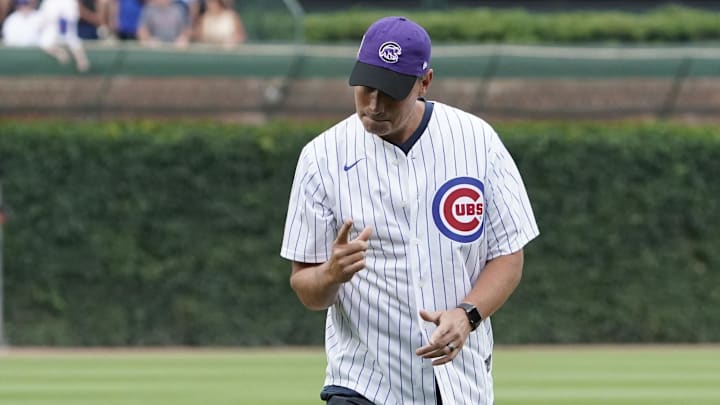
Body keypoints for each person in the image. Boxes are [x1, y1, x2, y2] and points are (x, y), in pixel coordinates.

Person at [280, 16, 539, 405]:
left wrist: (468, 314)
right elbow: (306, 288)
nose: (374, 105)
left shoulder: (477, 141)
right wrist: (331, 274)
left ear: (425, 83)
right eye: (366, 88)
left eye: (391, 92)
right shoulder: (321, 157)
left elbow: (508, 255)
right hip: (362, 383)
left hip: (458, 383)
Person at [37, 0, 91, 71]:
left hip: (68, 29)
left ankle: (81, 61)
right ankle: (60, 53)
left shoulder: (70, 2)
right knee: (45, 43)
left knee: (74, 43)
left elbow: (74, 16)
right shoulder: (48, 2)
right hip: (52, 29)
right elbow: (43, 17)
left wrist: (63, 17)